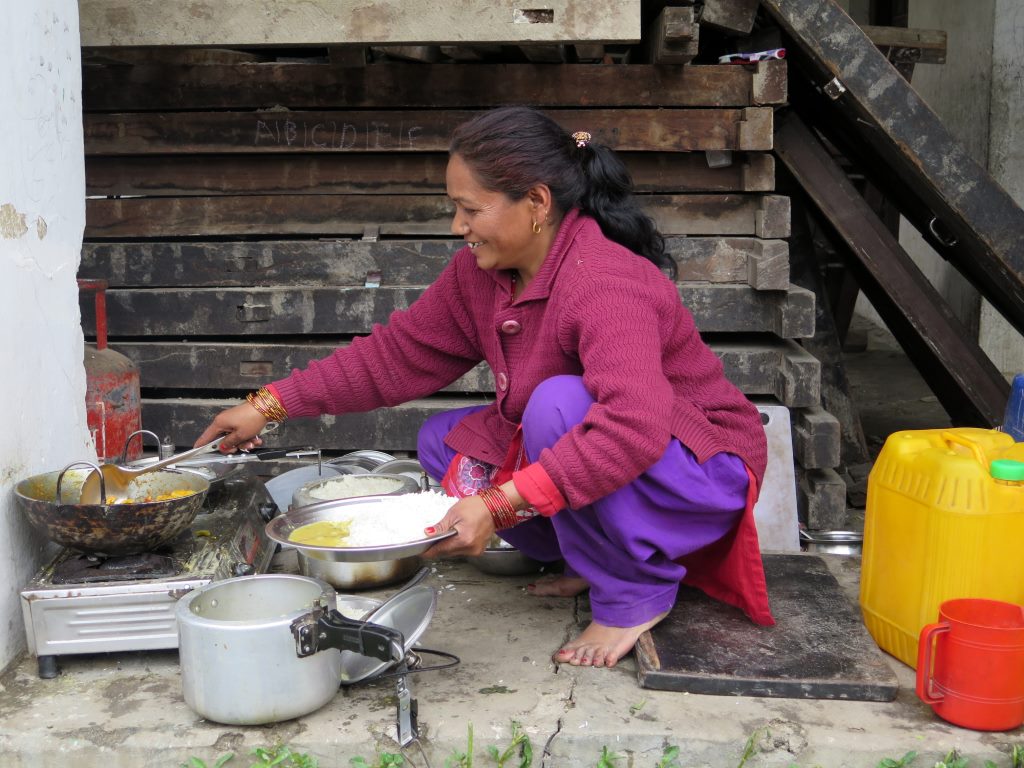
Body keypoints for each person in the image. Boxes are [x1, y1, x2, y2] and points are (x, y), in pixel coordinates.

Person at [195, 106, 773, 669]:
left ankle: (633, 594)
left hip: (701, 471)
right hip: (621, 448)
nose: (457, 227)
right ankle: (587, 555)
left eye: (470, 209)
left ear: (537, 204)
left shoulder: (606, 281)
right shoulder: (480, 274)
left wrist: (497, 507)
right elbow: (395, 356)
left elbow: (631, 427)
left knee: (556, 406)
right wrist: (266, 406)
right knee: (446, 440)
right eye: (454, 208)